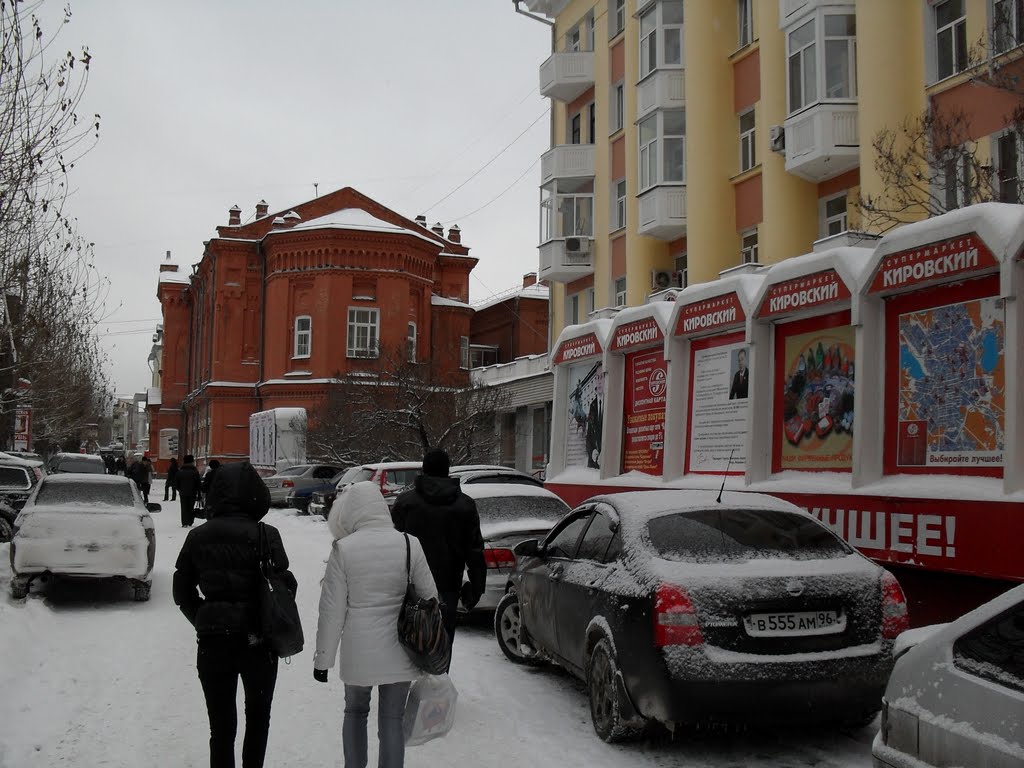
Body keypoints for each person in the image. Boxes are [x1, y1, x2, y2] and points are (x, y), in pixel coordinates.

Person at [173, 461, 295, 768]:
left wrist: (204, 616)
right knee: (258, 718)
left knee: (221, 726)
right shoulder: (267, 534)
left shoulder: (198, 536)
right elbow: (286, 586)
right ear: (256, 494)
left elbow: (181, 590)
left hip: (213, 644)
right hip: (259, 641)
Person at [314, 482, 437, 768]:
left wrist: (323, 661)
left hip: (360, 651)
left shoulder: (343, 549)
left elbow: (331, 610)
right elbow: (431, 597)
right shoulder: (409, 543)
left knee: (355, 712)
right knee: (393, 719)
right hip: (402, 647)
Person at [391, 448, 486, 655]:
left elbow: (393, 545)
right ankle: (437, 684)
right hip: (447, 589)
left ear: (424, 470)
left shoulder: (406, 503)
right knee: (440, 647)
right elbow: (475, 550)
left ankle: (409, 685)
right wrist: (477, 588)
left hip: (409, 588)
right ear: (447, 471)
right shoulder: (465, 505)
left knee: (407, 643)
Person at [585, 369, 604, 468]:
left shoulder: (613, 402)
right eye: (597, 378)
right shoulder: (592, 405)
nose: (599, 381)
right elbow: (589, 435)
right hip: (594, 463)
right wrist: (592, 450)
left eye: (602, 377)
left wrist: (605, 453)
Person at [176, 455, 202, 528]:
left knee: (184, 507)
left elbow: (176, 483)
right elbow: (198, 483)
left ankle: (184, 522)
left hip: (183, 492)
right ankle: (190, 521)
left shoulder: (180, 471)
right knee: (190, 507)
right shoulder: (195, 471)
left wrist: (180, 489)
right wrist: (199, 493)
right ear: (192, 461)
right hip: (192, 492)